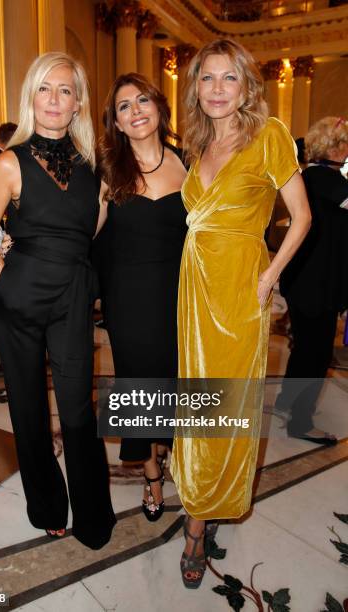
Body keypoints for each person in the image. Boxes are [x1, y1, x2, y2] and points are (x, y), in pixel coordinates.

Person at [169, 39, 311, 588]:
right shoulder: (196, 143)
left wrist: (269, 278)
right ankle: (201, 498)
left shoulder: (269, 135)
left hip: (238, 291)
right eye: (207, 78)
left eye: (229, 79)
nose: (217, 90)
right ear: (196, 86)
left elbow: (300, 217)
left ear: (248, 85)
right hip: (193, 286)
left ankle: (198, 524)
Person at [0, 52, 116, 549]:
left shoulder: (94, 167)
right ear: (31, 98)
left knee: (79, 405)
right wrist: (6, 279)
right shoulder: (9, 162)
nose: (55, 99)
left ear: (78, 102)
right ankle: (47, 506)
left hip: (73, 295)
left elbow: (92, 230)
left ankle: (93, 513)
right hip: (20, 297)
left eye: (65, 90)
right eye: (45, 89)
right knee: (30, 407)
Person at [96, 73, 187, 521]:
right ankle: (151, 474)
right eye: (123, 106)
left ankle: (178, 457)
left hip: (181, 296)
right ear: (115, 121)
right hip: (129, 297)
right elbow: (86, 232)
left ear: (159, 106)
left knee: (175, 381)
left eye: (142, 100)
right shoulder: (108, 170)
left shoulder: (188, 162)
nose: (135, 110)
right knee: (138, 387)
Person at [276, 116, 348, 443]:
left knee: (304, 347)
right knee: (316, 352)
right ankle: (301, 422)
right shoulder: (325, 178)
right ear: (336, 147)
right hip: (317, 283)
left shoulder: (312, 176)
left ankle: (287, 401)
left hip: (306, 278)